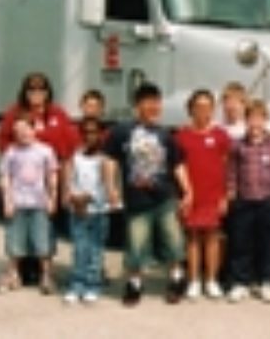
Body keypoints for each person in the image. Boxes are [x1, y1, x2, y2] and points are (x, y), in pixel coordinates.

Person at [104, 83, 191, 306]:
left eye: (157, 102)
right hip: (136, 202)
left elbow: (177, 165)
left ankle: (177, 280)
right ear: (138, 104)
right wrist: (111, 188)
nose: (155, 106)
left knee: (174, 243)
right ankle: (134, 284)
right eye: (150, 102)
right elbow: (110, 160)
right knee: (136, 245)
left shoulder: (165, 134)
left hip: (165, 199)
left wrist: (188, 190)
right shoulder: (122, 131)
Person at [226, 100, 270, 304]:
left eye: (259, 118)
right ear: (246, 120)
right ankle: (240, 282)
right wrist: (231, 190)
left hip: (267, 199)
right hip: (244, 199)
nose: (255, 122)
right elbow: (232, 171)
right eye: (251, 118)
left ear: (265, 120)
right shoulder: (238, 145)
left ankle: (266, 281)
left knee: (268, 242)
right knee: (241, 242)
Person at [0, 117, 59, 295]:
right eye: (19, 132)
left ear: (34, 129)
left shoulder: (45, 151)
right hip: (18, 203)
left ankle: (47, 275)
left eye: (26, 130)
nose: (23, 135)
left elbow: (52, 176)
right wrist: (7, 201)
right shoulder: (11, 152)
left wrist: (53, 198)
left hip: (40, 203)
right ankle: (13, 274)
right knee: (15, 241)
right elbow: (5, 177)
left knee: (43, 241)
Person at [176, 90, 232, 300]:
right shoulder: (182, 135)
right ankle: (193, 280)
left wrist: (225, 196)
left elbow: (227, 167)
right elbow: (177, 166)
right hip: (191, 194)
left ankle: (211, 280)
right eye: (199, 106)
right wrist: (182, 194)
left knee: (212, 238)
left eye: (208, 107)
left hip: (214, 194)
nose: (203, 111)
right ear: (191, 109)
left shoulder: (220, 135)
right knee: (192, 238)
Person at [62, 117, 119, 304]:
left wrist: (103, 197)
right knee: (79, 249)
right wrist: (71, 197)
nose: (89, 136)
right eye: (85, 132)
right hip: (78, 210)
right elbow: (69, 180)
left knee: (95, 250)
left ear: (101, 134)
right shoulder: (75, 156)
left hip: (97, 210)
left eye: (93, 132)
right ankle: (76, 284)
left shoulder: (104, 159)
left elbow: (108, 183)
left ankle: (92, 285)